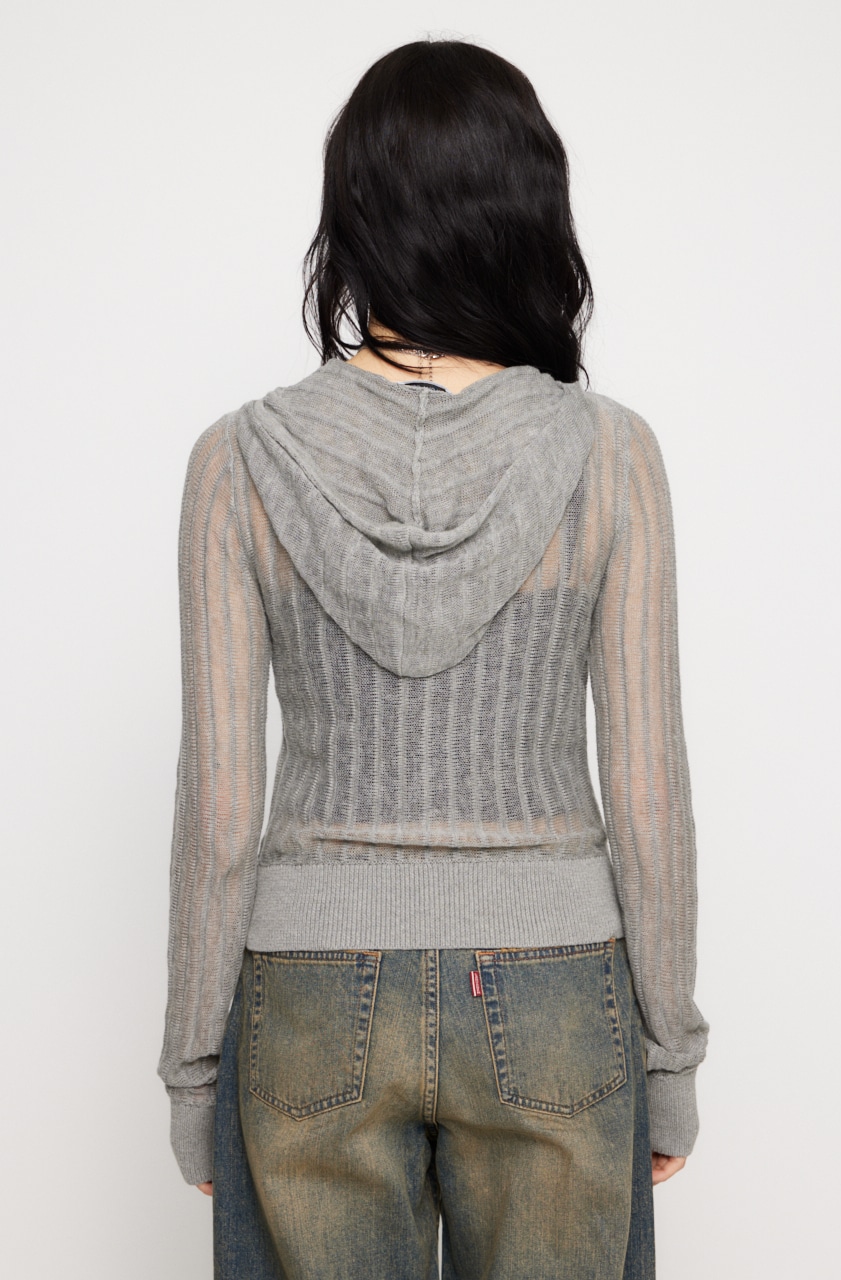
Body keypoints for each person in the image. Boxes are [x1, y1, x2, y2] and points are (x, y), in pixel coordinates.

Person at [157, 37, 709, 1280]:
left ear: (352, 213)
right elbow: (647, 788)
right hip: (556, 988)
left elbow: (220, 806)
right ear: (529, 212)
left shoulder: (237, 462)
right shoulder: (611, 455)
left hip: (307, 992)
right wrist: (670, 1052)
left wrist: (194, 1069)